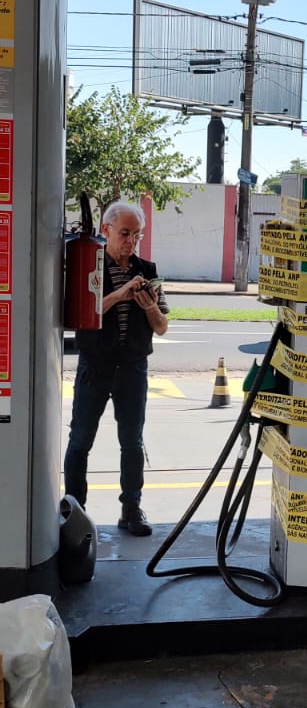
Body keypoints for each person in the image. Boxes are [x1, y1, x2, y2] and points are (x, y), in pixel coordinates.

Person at [64, 200, 169, 537]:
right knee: (80, 440)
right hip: (95, 366)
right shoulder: (90, 266)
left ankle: (131, 509)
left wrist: (150, 307)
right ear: (106, 230)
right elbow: (78, 314)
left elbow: (162, 326)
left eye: (137, 235)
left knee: (132, 442)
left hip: (133, 368)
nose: (131, 241)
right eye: (125, 233)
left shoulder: (147, 270)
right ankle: (74, 510)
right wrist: (119, 294)